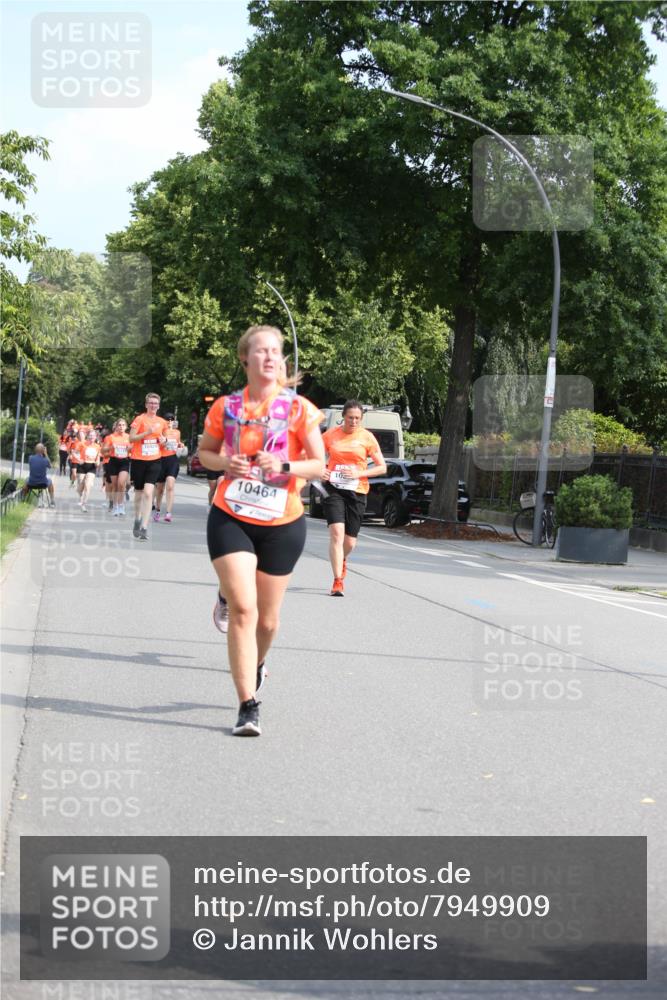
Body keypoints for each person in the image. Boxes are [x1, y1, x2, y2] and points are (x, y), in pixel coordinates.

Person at [198, 325, 324, 737]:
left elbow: (320, 465)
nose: (270, 357)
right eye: (261, 351)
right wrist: (223, 465)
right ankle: (247, 705)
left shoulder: (299, 409)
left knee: (267, 623)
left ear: (282, 360)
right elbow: (205, 453)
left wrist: (285, 467)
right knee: (244, 610)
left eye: (276, 351)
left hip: (282, 521)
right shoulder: (227, 407)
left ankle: (256, 663)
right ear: (245, 359)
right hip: (232, 514)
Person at [322, 399, 387, 596]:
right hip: (333, 488)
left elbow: (382, 467)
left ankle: (342, 559)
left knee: (349, 542)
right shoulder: (330, 435)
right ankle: (337, 581)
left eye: (357, 418)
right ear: (343, 417)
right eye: (350, 417)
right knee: (336, 533)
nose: (353, 421)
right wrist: (320, 470)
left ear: (361, 419)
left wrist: (359, 473)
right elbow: (312, 454)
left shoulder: (367, 438)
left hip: (357, 490)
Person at [128, 393, 167, 540]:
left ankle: (144, 527)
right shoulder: (139, 419)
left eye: (155, 403)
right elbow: (131, 438)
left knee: (148, 493)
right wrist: (147, 432)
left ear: (158, 406)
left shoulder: (162, 422)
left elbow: (164, 441)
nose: (153, 406)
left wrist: (164, 440)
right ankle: (137, 519)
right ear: (146, 405)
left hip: (155, 460)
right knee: (138, 494)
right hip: (138, 460)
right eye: (150, 403)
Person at [154, 413, 182, 523]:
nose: (169, 421)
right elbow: (157, 445)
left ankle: (168, 513)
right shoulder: (159, 432)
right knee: (160, 489)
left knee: (170, 485)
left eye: (172, 420)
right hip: (161, 460)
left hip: (172, 460)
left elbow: (178, 443)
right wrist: (163, 442)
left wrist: (180, 445)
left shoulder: (177, 432)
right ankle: (157, 510)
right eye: (167, 420)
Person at [102, 419, 131, 516]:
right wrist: (111, 447)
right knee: (114, 486)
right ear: (116, 426)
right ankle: (115, 506)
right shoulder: (110, 437)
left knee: (121, 484)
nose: (121, 427)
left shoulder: (129, 437)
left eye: (123, 425)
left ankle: (121, 505)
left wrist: (130, 448)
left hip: (124, 461)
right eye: (119, 425)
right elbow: (103, 450)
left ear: (126, 427)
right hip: (113, 461)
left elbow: (134, 448)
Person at [75, 429, 101, 512]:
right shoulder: (82, 444)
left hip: (92, 466)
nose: (91, 437)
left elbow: (98, 457)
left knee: (88, 485)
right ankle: (80, 495)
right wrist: (79, 459)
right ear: (87, 436)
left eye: (93, 436)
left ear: (96, 437)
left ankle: (83, 504)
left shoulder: (97, 446)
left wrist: (97, 462)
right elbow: (74, 452)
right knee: (80, 487)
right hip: (82, 466)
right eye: (90, 435)